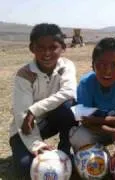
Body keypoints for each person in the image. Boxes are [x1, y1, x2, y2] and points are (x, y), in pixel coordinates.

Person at [9, 23, 78, 177]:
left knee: (70, 106)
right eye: (40, 48)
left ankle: (65, 152)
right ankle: (39, 151)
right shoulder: (24, 75)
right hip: (24, 128)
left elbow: (69, 91)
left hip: (49, 120)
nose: (46, 53)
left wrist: (34, 110)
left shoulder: (66, 66)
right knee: (26, 167)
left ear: (63, 47)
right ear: (32, 48)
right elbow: (22, 115)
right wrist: (37, 145)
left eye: (53, 47)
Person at [70, 38, 115, 151]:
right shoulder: (86, 83)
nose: (107, 70)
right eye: (101, 64)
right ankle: (98, 157)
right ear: (93, 66)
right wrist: (108, 130)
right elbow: (85, 121)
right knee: (79, 137)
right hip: (94, 130)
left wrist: (97, 120)